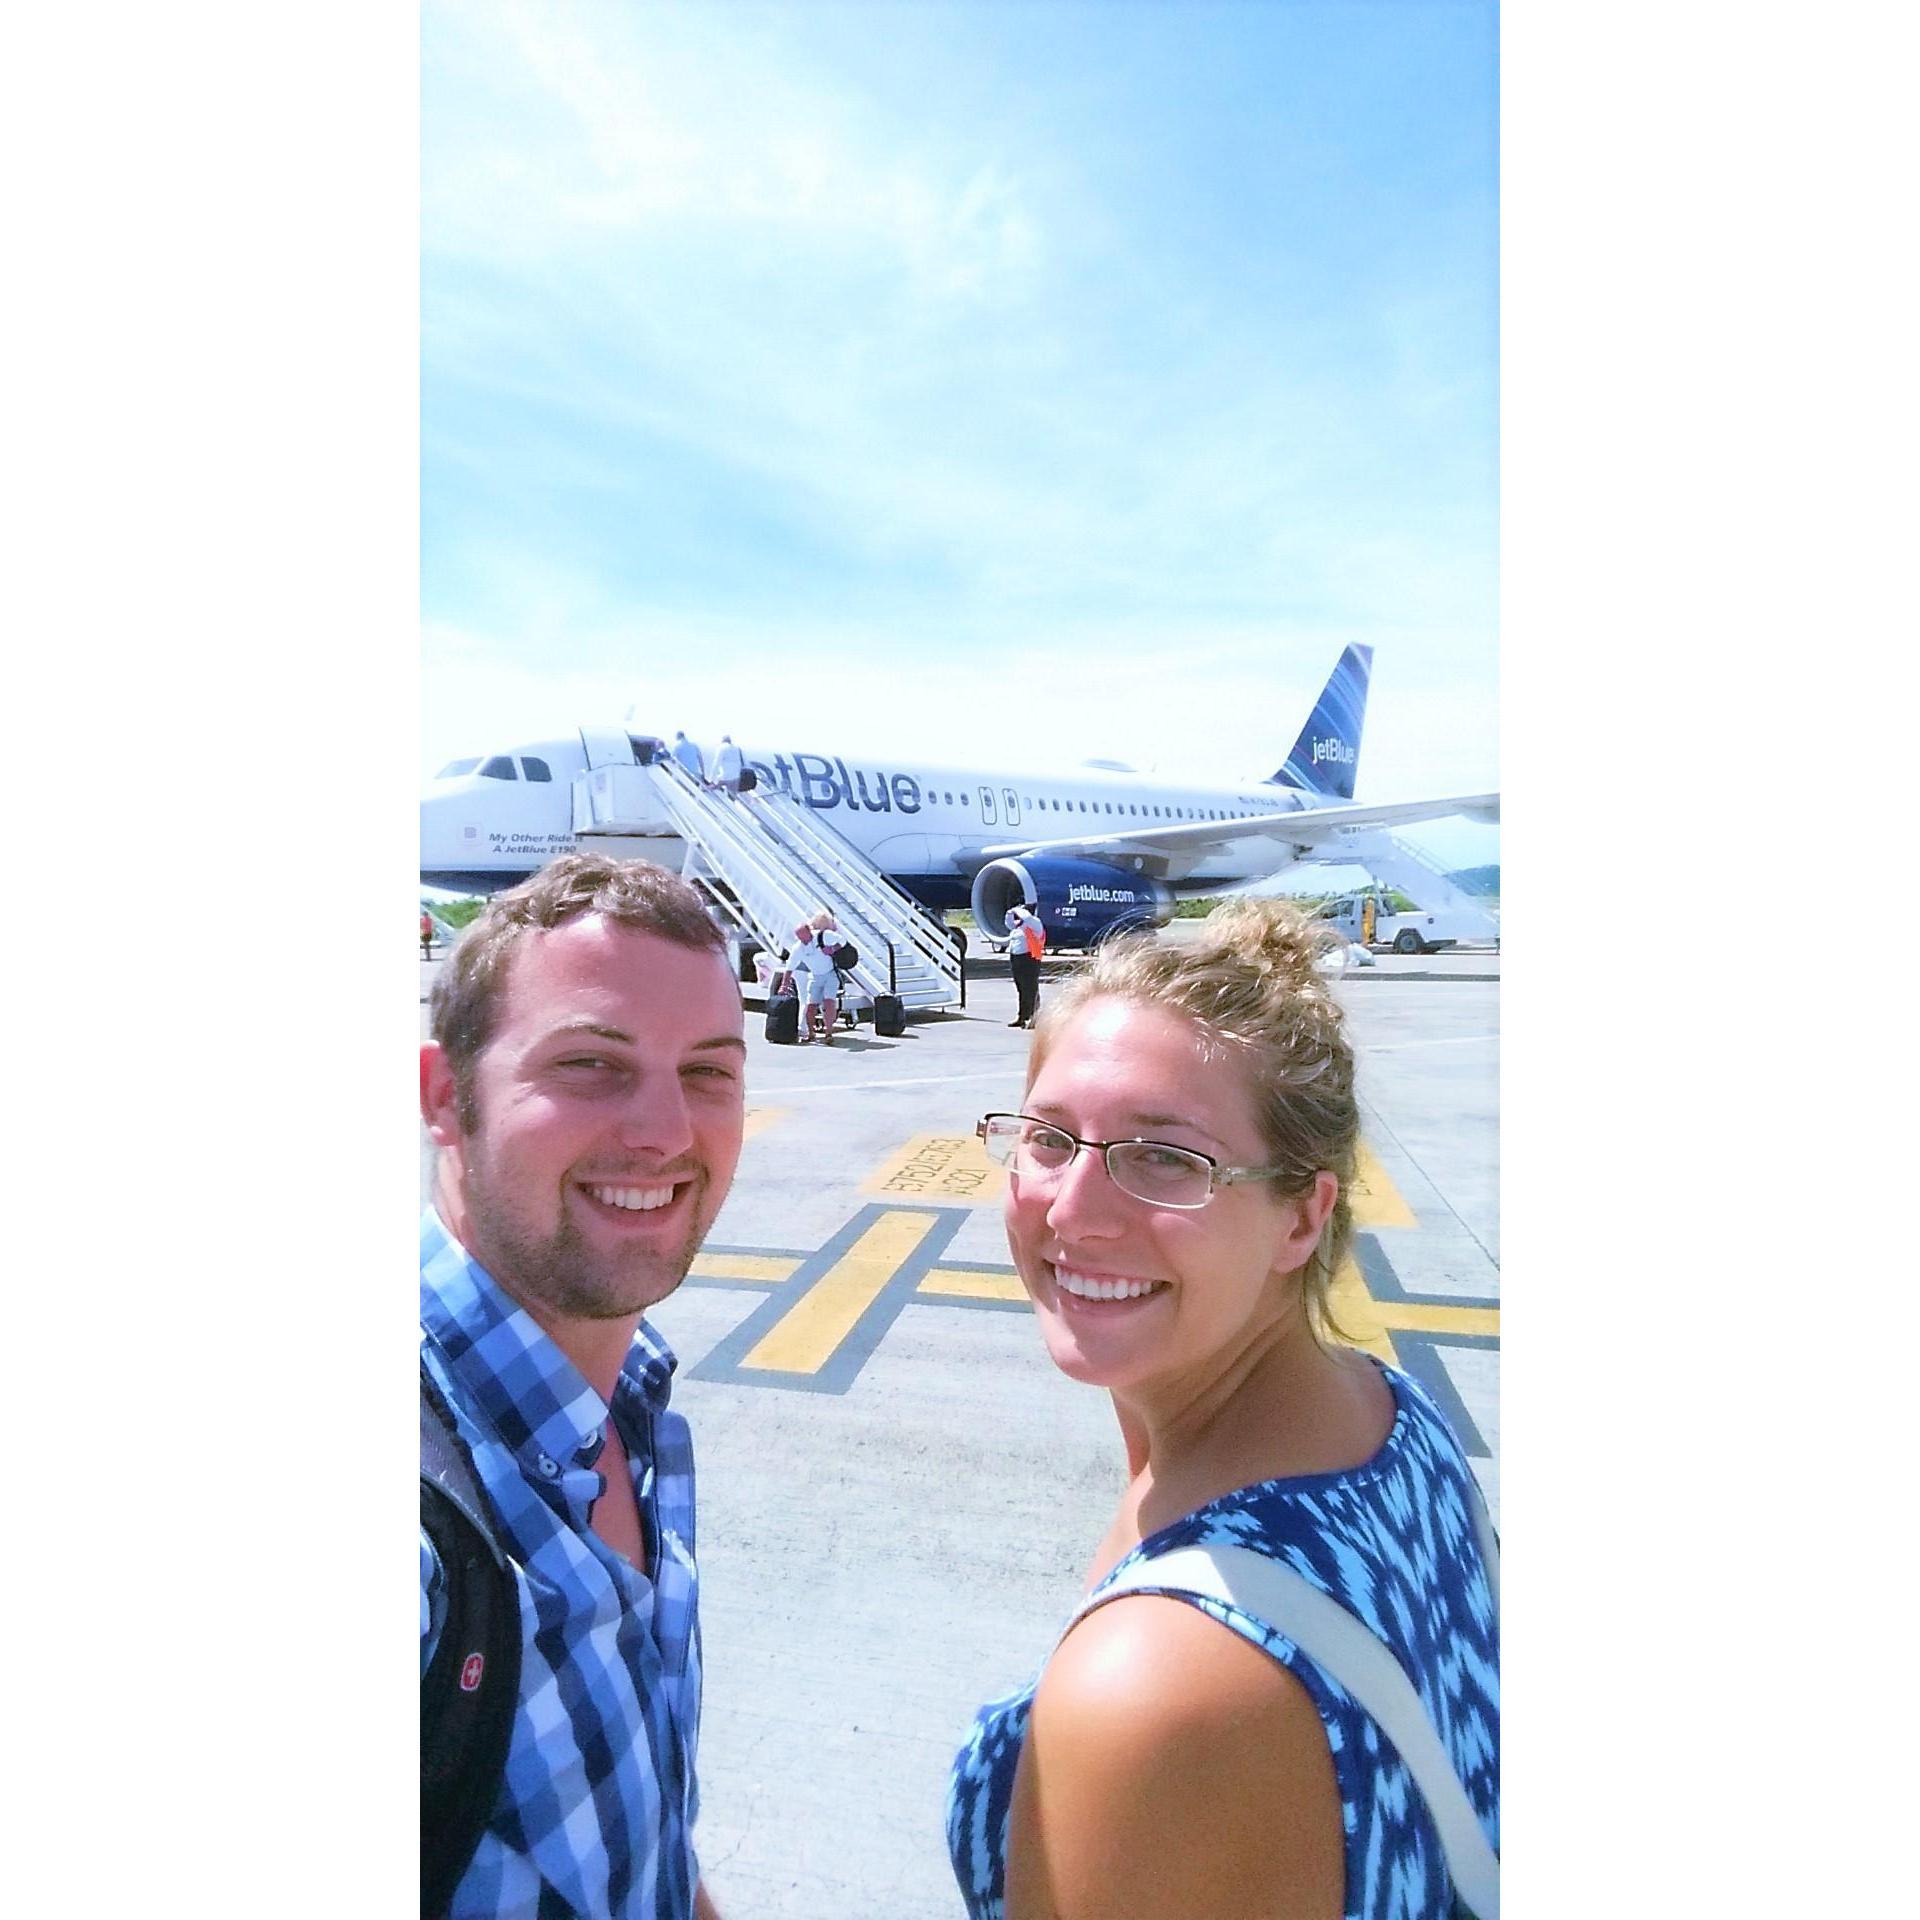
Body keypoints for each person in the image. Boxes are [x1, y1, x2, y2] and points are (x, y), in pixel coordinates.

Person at [948, 900, 1498, 1920]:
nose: (1072, 1210)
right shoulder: (1396, 1415)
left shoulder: (1161, 1681)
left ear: (1303, 1215)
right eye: (1051, 1139)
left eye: (1167, 1158)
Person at [420, 852, 745, 1919]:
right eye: (591, 1064)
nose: (665, 1132)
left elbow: (637, 1840)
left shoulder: (626, 1412)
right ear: (443, 1097)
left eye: (709, 1071)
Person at [785, 917, 840, 1045]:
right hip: (815, 976)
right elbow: (790, 967)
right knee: (810, 1006)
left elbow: (842, 941)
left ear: (810, 931)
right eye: (800, 938)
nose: (803, 941)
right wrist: (784, 984)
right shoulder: (798, 948)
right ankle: (811, 1033)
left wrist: (832, 949)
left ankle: (829, 1033)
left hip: (830, 974)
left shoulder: (823, 936)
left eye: (805, 937)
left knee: (829, 1002)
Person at [1002, 898, 1045, 1029]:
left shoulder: (1034, 923)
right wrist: (1011, 911)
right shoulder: (1018, 926)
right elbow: (1008, 922)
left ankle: (1034, 1017)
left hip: (1030, 959)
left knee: (1030, 988)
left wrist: (1018, 909)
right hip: (1017, 958)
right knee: (1021, 988)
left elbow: (1026, 916)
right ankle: (1022, 1016)